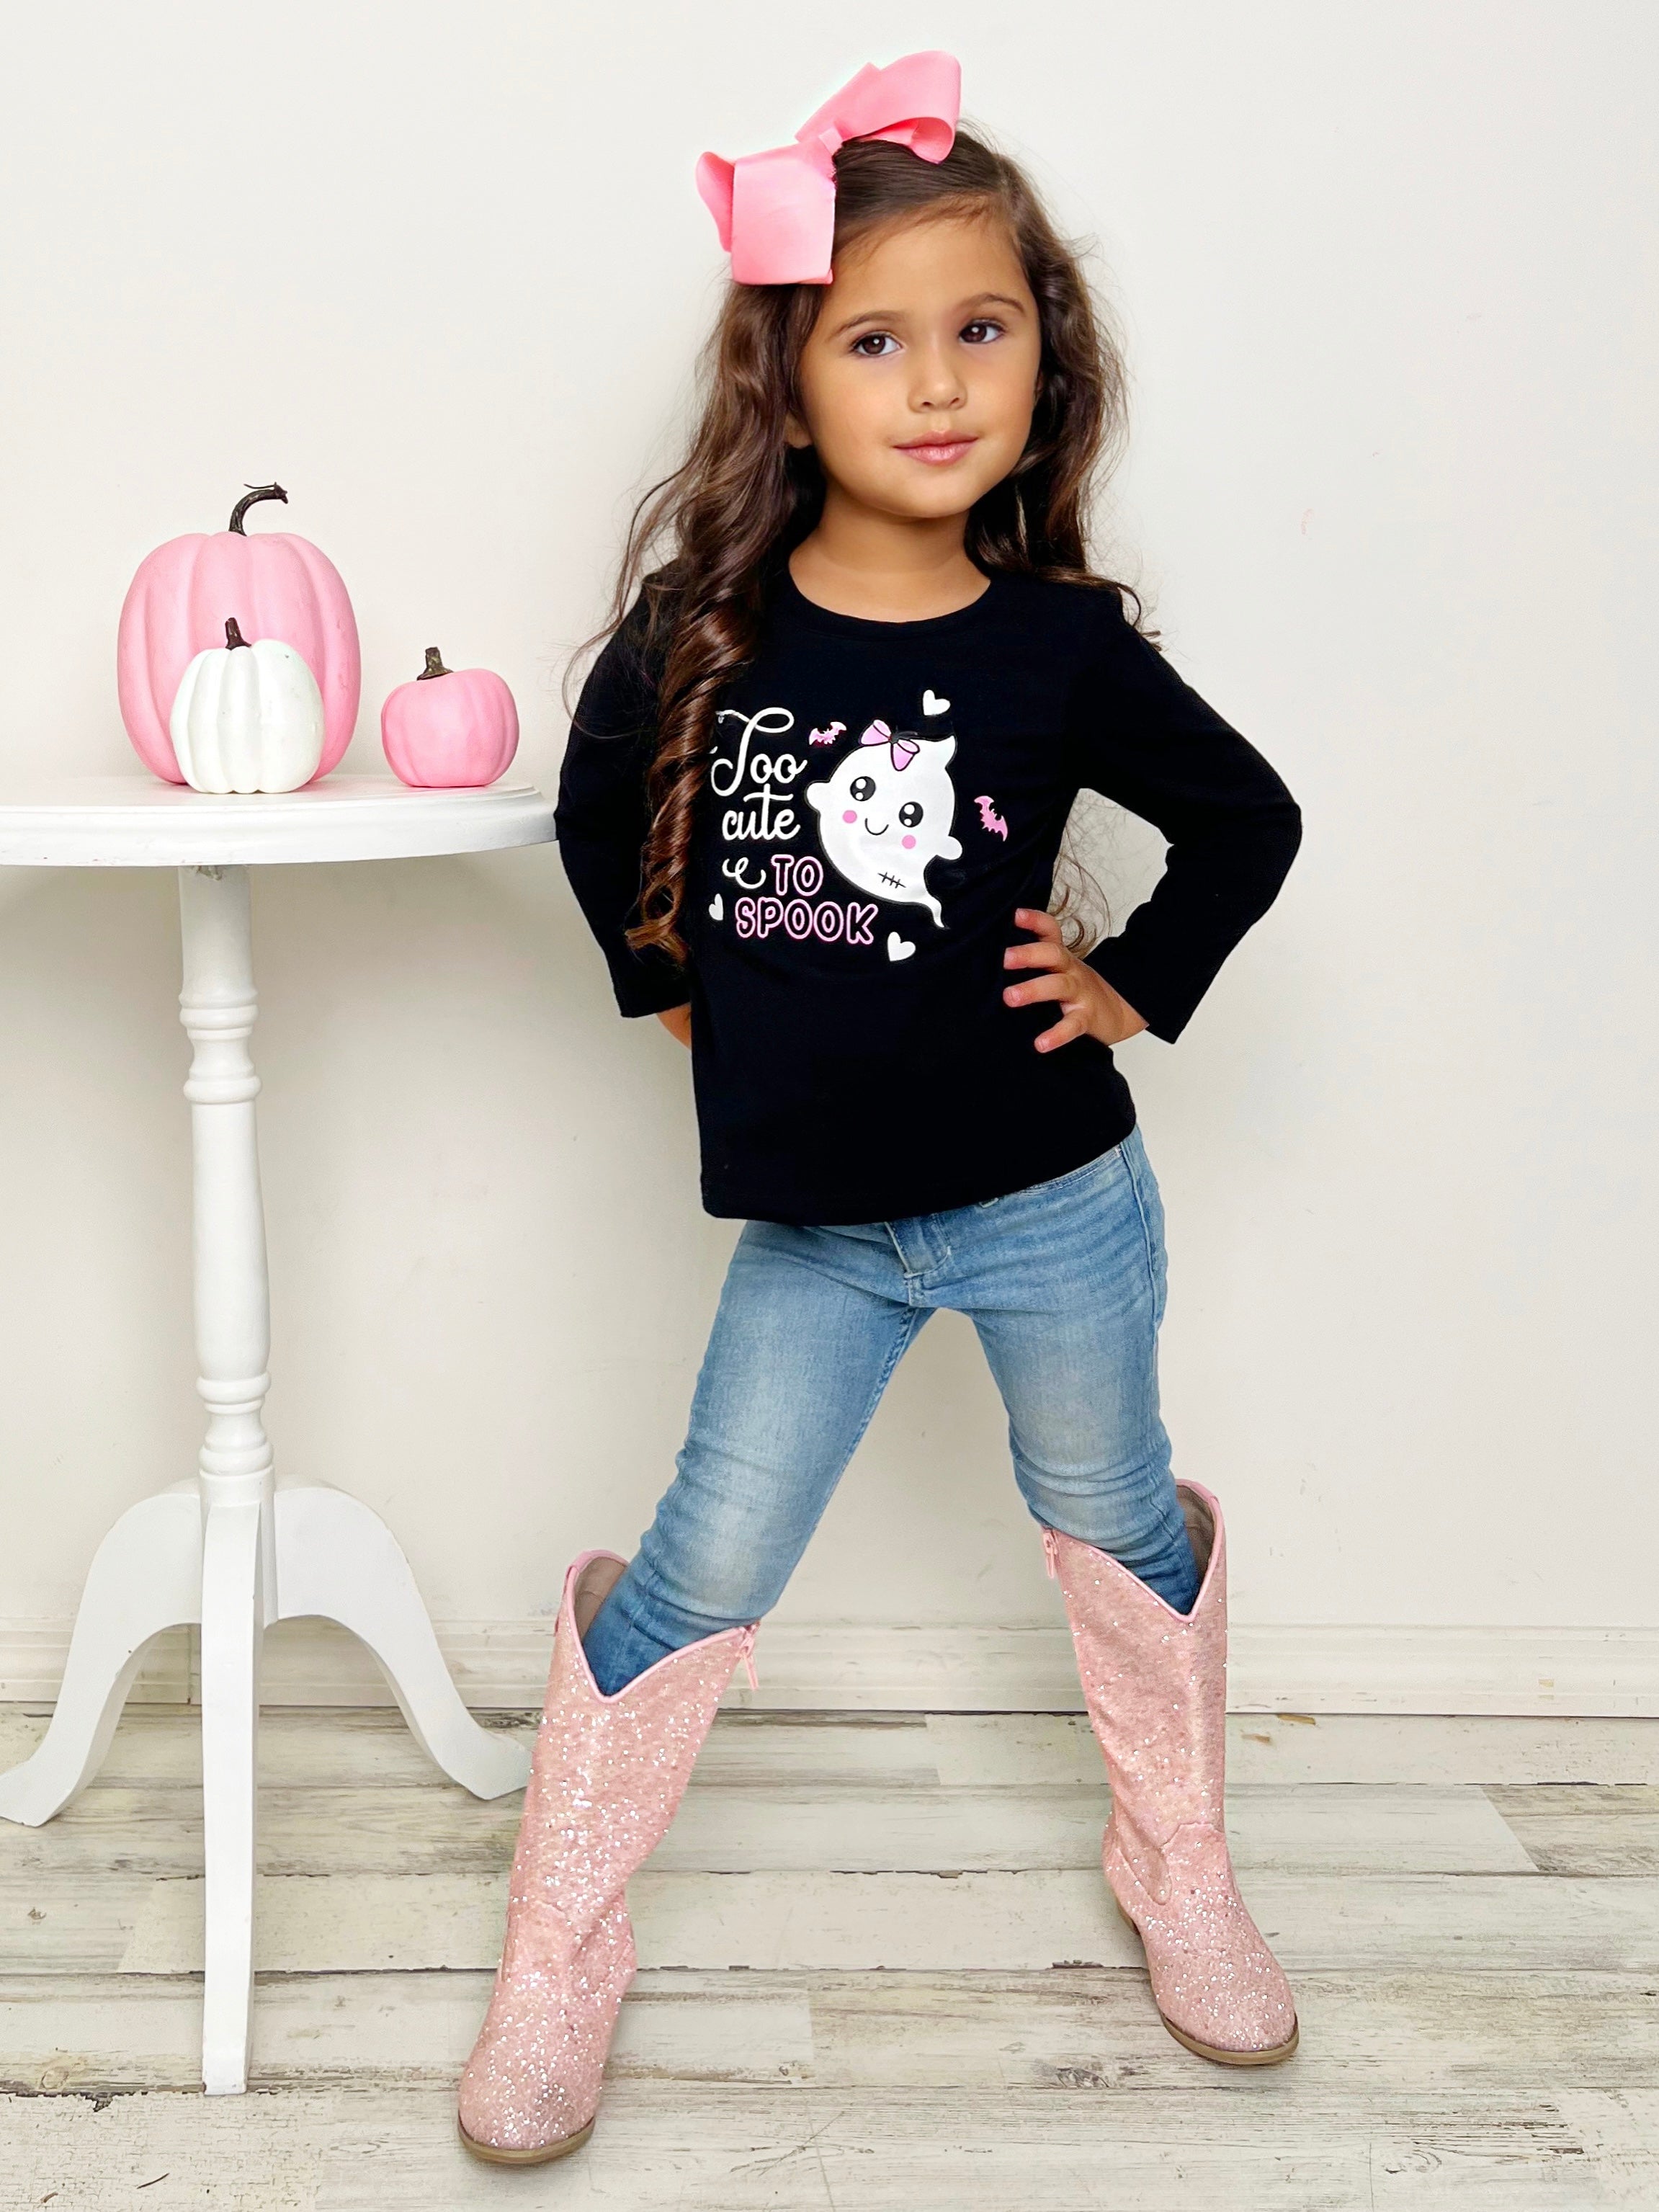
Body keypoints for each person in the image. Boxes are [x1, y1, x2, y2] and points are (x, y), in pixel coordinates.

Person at [457, 51, 1304, 2167]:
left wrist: (1132, 982)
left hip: (1055, 1206)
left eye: (983, 328)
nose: (937, 383)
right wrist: (671, 984)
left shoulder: (1059, 649)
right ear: (788, 381)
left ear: (1045, 358)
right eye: (874, 339)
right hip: (817, 1238)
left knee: (1117, 1518)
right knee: (705, 1561)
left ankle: (1179, 1866)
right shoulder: (704, 638)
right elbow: (593, 812)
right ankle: (562, 1946)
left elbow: (1248, 821)